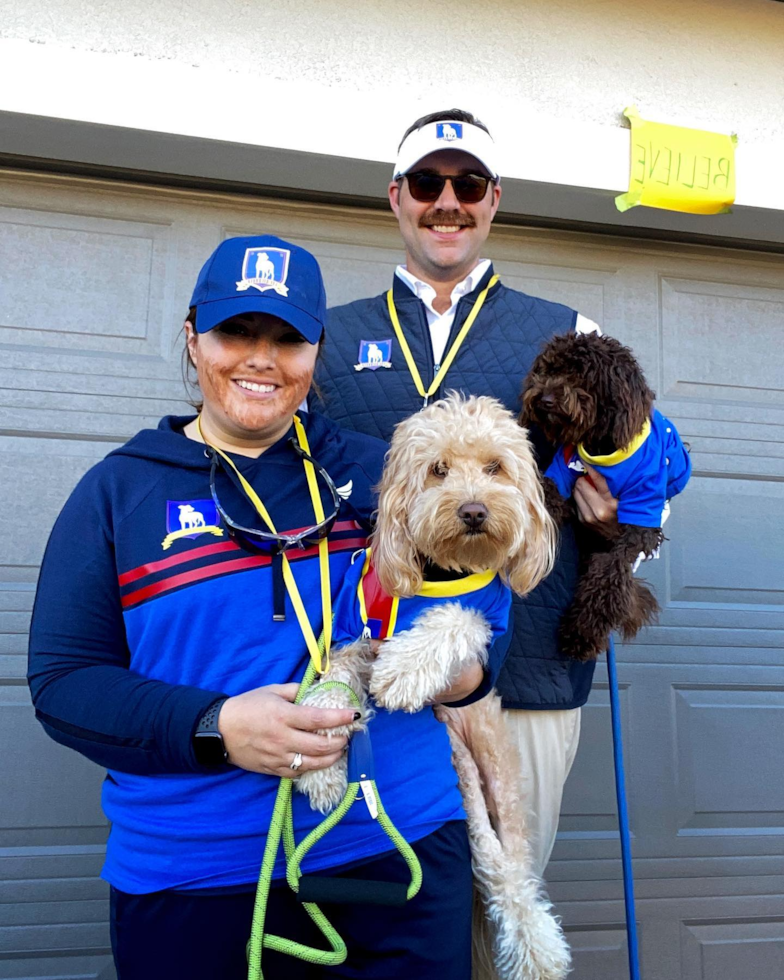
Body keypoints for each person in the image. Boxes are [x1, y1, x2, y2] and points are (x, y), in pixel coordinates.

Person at [27, 235, 497, 980]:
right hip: (197, 873)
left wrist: (461, 672)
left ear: (316, 352)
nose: (261, 357)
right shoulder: (118, 492)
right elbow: (64, 685)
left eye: (287, 338)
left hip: (397, 849)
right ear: (192, 338)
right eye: (235, 331)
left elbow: (481, 614)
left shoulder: (386, 471)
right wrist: (217, 728)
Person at [315, 109, 620, 877]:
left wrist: (611, 539)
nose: (446, 200)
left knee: (506, 895)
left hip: (527, 684)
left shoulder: (570, 334)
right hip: (374, 679)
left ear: (494, 199)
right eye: (427, 182)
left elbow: (645, 487)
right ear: (395, 197)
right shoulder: (325, 342)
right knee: (387, 906)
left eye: (468, 183)